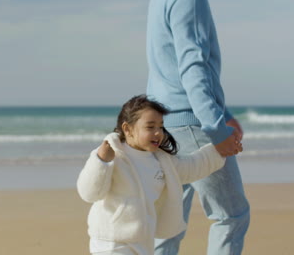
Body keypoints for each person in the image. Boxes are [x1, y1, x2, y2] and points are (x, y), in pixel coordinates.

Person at [146, 0, 250, 254]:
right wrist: (215, 127)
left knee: (168, 225)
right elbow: (192, 65)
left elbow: (166, 66)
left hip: (164, 124)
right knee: (230, 217)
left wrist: (224, 114)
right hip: (193, 127)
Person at [77, 95, 227, 255]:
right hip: (111, 243)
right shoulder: (113, 155)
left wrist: (218, 151)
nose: (158, 133)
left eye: (161, 127)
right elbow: (89, 193)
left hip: (143, 241)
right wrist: (101, 161)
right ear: (127, 129)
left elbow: (191, 167)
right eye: (150, 127)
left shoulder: (162, 160)